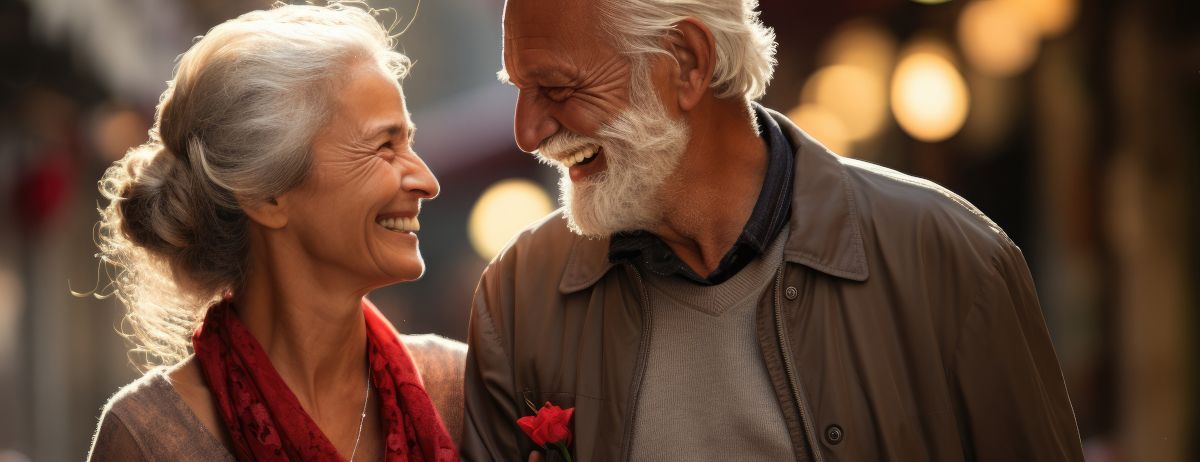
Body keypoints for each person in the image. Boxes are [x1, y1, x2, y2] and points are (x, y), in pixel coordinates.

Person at [462, 0, 1084, 460]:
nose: (527, 131)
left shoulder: (955, 262)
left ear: (686, 62)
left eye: (557, 87)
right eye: (519, 91)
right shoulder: (519, 299)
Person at [87, 4, 462, 461]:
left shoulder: (458, 389)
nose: (427, 180)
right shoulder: (150, 437)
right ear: (267, 196)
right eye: (385, 145)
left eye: (410, 141)